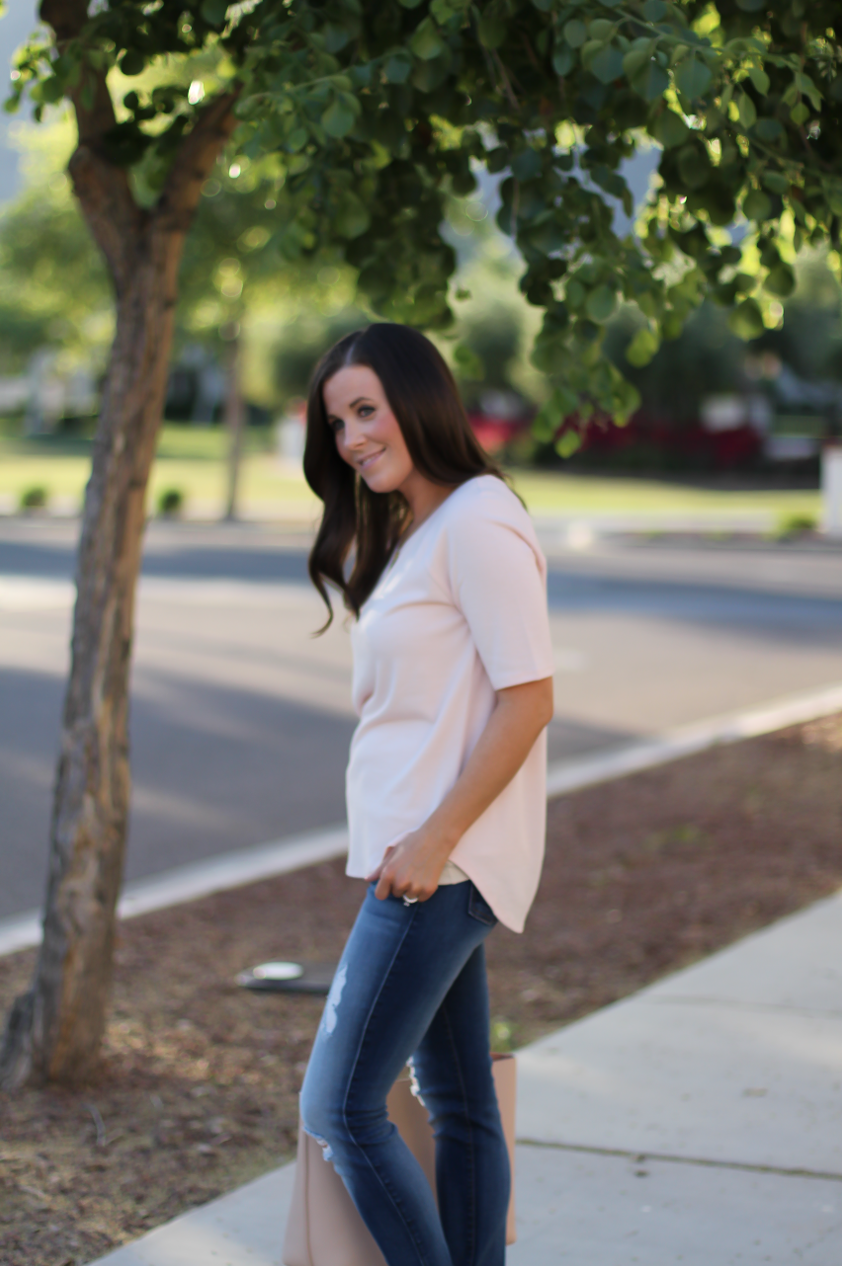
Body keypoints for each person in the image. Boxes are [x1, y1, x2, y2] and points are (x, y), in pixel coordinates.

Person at [299, 323, 554, 1266]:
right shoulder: (427, 528)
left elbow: (530, 698)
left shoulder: (480, 521)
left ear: (419, 401)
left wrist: (433, 841)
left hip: (437, 868)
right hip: (424, 860)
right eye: (337, 421)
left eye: (367, 409)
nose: (352, 436)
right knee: (456, 1102)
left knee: (339, 1105)